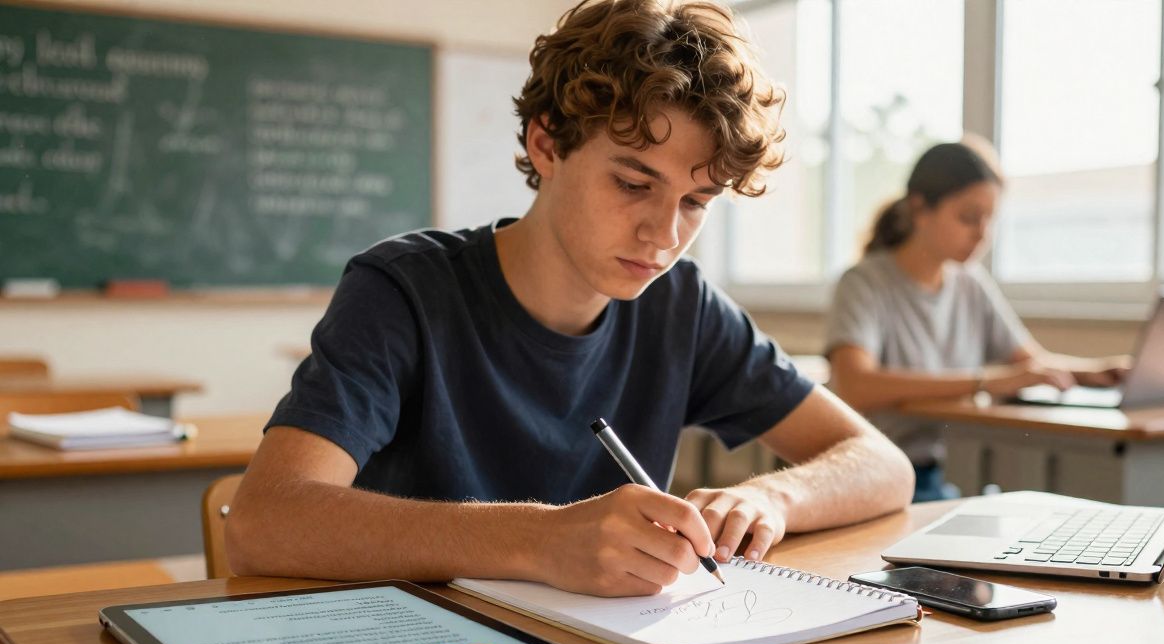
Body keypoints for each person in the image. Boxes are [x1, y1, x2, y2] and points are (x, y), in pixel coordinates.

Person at [227, 0, 913, 597]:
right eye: (634, 184)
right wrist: (542, 539)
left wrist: (773, 496)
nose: (664, 234)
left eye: (696, 201)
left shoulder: (682, 307)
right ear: (546, 144)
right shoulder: (403, 290)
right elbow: (263, 523)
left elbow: (883, 465)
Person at [825, 141, 1128, 503]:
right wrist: (987, 381)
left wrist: (1095, 372)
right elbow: (856, 385)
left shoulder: (970, 284)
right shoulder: (863, 284)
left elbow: (1030, 363)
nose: (982, 233)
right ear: (920, 209)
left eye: (989, 219)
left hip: (929, 477)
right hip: (865, 476)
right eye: (968, 218)